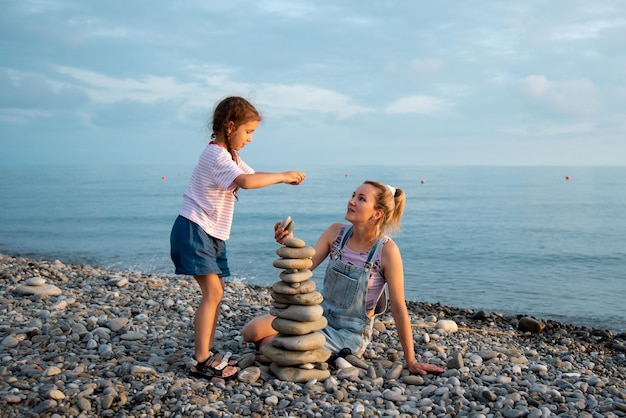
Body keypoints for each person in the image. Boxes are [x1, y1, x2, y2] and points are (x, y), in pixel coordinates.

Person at [242, 180, 445, 376]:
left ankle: (313, 355)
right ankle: (296, 352)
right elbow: (303, 268)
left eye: (361, 199)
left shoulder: (387, 251)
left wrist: (411, 360)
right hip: (319, 317)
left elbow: (399, 307)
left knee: (268, 344)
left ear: (377, 213)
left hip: (349, 333)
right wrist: (288, 242)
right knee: (250, 332)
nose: (352, 201)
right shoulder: (336, 233)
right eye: (353, 195)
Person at [170, 96, 306, 379]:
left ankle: (205, 351)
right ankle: (201, 359)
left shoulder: (231, 157)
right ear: (229, 126)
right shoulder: (215, 155)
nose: (251, 139)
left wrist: (280, 177)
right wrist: (282, 175)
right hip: (194, 229)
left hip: (210, 233)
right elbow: (245, 182)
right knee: (214, 293)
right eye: (248, 132)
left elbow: (252, 176)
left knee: (216, 293)